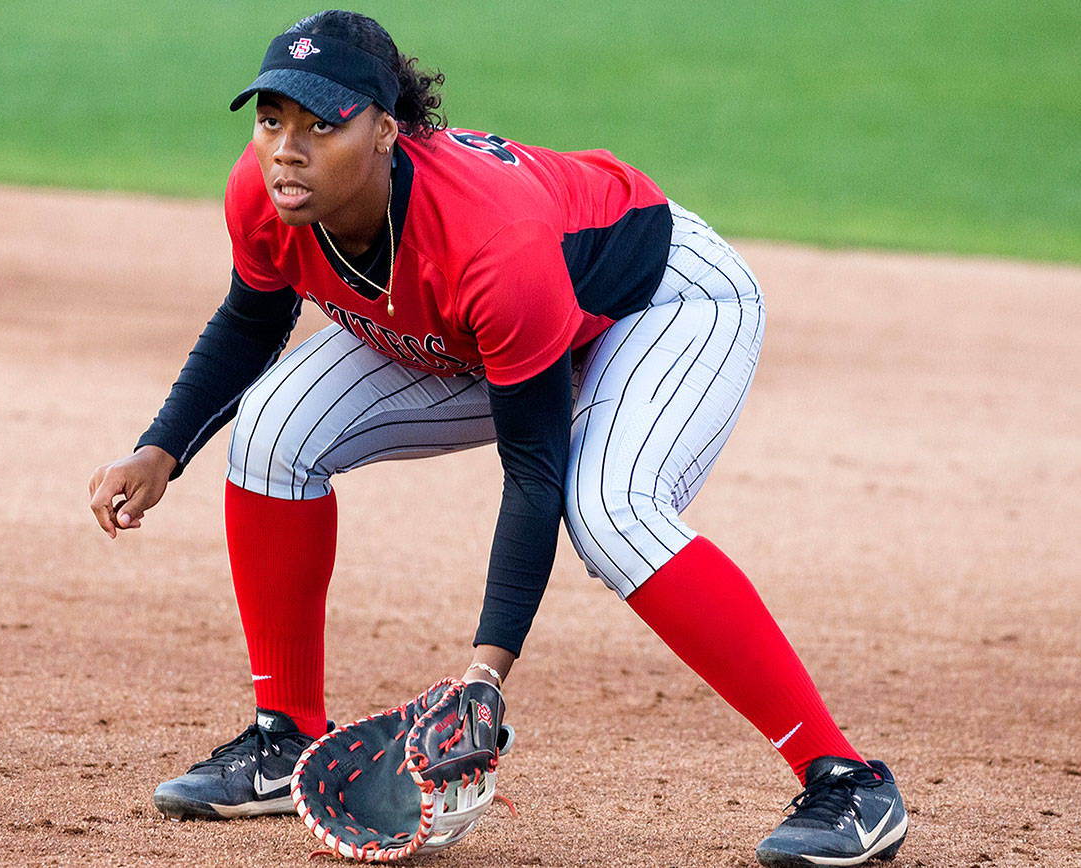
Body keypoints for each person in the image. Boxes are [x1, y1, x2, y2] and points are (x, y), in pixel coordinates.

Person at [88, 10, 907, 866]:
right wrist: (162, 447)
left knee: (611, 512)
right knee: (272, 431)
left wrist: (485, 674)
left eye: (322, 124)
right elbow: (253, 321)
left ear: (384, 133)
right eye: (272, 120)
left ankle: (847, 782)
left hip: (659, 301)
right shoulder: (265, 193)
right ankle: (285, 736)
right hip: (491, 329)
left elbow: (534, 471)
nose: (287, 148)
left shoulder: (487, 242)